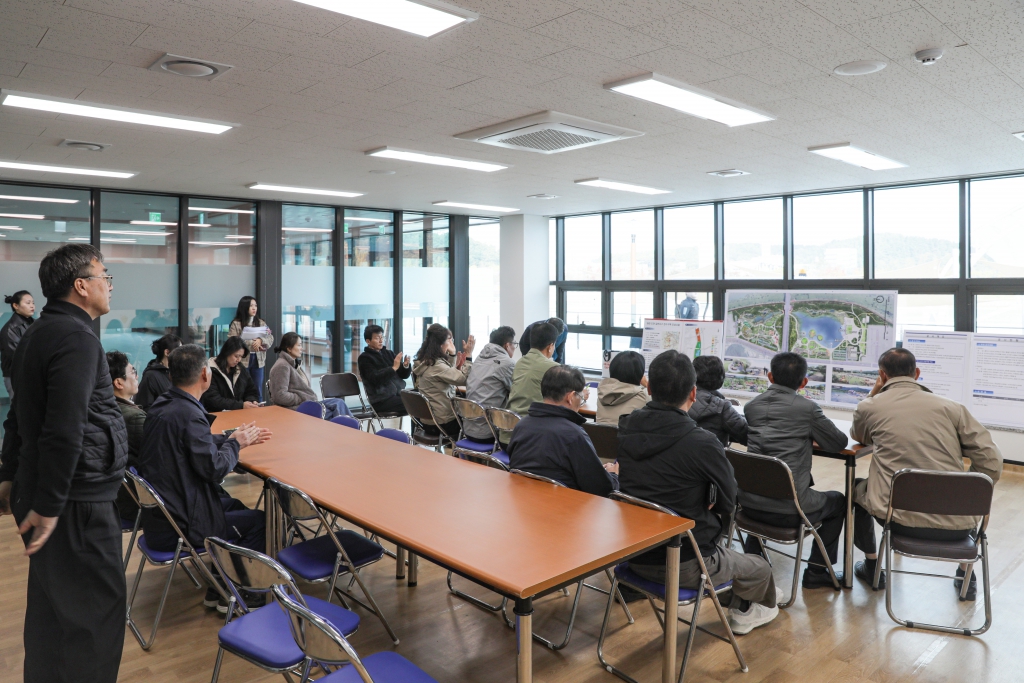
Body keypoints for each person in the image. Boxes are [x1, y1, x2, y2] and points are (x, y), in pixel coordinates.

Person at [0, 244, 129, 683]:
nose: (109, 285)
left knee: (53, 621)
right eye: (104, 276)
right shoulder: (77, 337)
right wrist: (53, 503)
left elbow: (19, 414)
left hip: (50, 495)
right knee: (94, 628)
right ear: (81, 286)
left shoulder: (37, 332)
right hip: (75, 505)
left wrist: (9, 473)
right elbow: (64, 427)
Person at [618, 350, 779, 635]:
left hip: (631, 552)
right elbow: (730, 501)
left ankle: (736, 597)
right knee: (761, 569)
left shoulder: (627, 425)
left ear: (650, 388)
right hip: (686, 561)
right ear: (693, 393)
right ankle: (743, 611)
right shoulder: (702, 442)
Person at [850, 347, 1003, 598]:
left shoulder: (870, 407)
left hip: (895, 519)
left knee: (856, 488)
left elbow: (860, 436)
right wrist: (969, 488)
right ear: (917, 373)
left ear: (882, 375)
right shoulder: (953, 408)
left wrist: (873, 394)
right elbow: (991, 461)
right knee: (964, 494)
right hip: (957, 522)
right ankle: (966, 576)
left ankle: (871, 566)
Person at [139, 344, 271, 609]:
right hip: (183, 522)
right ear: (204, 375)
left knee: (233, 504)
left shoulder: (164, 405)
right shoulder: (189, 414)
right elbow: (215, 469)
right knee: (261, 522)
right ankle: (235, 593)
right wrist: (236, 445)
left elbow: (188, 444)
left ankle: (219, 582)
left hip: (163, 516)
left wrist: (229, 437)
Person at [741, 352, 850, 587]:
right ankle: (817, 572)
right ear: (804, 382)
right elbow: (838, 443)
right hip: (790, 510)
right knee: (839, 501)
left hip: (747, 506)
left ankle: (754, 557)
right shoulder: (807, 409)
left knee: (765, 479)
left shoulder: (751, 407)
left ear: (769, 377)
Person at [507, 365, 618, 495]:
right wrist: (614, 475)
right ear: (570, 397)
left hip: (523, 500)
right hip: (562, 505)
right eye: (581, 398)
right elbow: (601, 488)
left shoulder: (522, 425)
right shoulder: (574, 435)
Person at [269, 333, 354, 419]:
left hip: (307, 403)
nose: (301, 348)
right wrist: (302, 398)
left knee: (339, 403)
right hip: (296, 408)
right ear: (289, 348)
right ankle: (351, 430)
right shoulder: (282, 366)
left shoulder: (292, 364)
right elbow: (280, 396)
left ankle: (350, 429)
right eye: (299, 345)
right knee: (336, 412)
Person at [411, 324, 475, 438]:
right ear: (441, 344)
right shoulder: (437, 365)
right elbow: (464, 380)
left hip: (428, 422)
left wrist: (452, 354)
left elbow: (446, 372)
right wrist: (469, 355)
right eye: (449, 340)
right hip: (442, 425)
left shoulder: (426, 361)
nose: (451, 343)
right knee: (476, 423)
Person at [107, 351, 146, 524]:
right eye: (133, 372)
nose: (137, 376)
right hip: (138, 502)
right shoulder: (133, 417)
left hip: (117, 497)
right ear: (118, 382)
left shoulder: (107, 408)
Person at [463, 325, 517, 442]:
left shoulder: (479, 357)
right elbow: (515, 391)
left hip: (468, 429)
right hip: (489, 431)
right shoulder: (508, 363)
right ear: (507, 345)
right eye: (514, 344)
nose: (515, 347)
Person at [688, 355, 748, 447]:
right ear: (721, 378)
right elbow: (747, 436)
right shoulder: (722, 407)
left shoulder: (678, 399)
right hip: (711, 458)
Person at [507, 322, 561, 416]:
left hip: (510, 422)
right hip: (533, 425)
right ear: (550, 346)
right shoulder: (554, 369)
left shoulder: (520, 362)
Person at [357, 324, 410, 416]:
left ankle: (419, 428)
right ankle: (421, 429)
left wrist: (405, 366)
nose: (381, 341)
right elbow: (375, 379)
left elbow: (403, 375)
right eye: (377, 338)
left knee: (420, 398)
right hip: (381, 400)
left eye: (382, 337)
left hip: (398, 394)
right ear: (368, 341)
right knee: (414, 404)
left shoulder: (389, 353)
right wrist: (393, 368)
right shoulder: (364, 358)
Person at [228, 296, 274, 402]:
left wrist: (261, 341)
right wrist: (252, 343)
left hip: (258, 361)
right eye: (251, 306)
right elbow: (232, 341)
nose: (254, 308)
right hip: (242, 360)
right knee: (242, 388)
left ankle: (258, 412)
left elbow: (270, 337)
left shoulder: (261, 322)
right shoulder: (236, 323)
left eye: (255, 305)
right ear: (244, 307)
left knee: (257, 389)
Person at [201, 336, 260, 412]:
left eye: (241, 356)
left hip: (239, 414)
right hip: (217, 416)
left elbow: (250, 390)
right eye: (236, 356)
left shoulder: (240, 369)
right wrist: (241, 405)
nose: (238, 360)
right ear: (227, 352)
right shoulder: (211, 370)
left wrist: (252, 401)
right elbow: (213, 400)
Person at [596, 350, 649, 425]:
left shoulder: (603, 392)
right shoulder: (644, 395)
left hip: (602, 436)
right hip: (628, 436)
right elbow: (657, 397)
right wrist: (646, 383)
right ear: (640, 373)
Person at [1, 290, 35, 400]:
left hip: (30, 373)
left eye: (33, 303)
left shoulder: (33, 323)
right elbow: (18, 356)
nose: (32, 306)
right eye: (28, 303)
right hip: (15, 376)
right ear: (16, 305)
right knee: (18, 412)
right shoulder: (10, 329)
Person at [135, 333, 182, 410]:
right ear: (167, 352)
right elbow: (144, 406)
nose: (182, 355)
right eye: (179, 351)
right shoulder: (151, 375)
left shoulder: (177, 372)